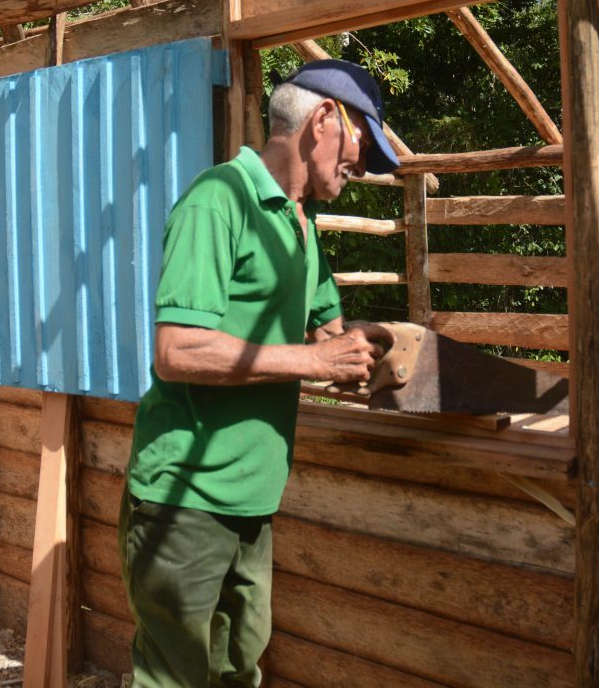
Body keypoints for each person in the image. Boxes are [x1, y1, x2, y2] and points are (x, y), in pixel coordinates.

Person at [118, 59, 401, 688]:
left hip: (253, 498)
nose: (360, 167)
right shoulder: (220, 200)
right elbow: (177, 350)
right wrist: (316, 362)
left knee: (239, 669)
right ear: (323, 119)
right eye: (360, 145)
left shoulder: (299, 222)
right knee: (175, 680)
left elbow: (328, 333)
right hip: (184, 501)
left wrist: (373, 348)